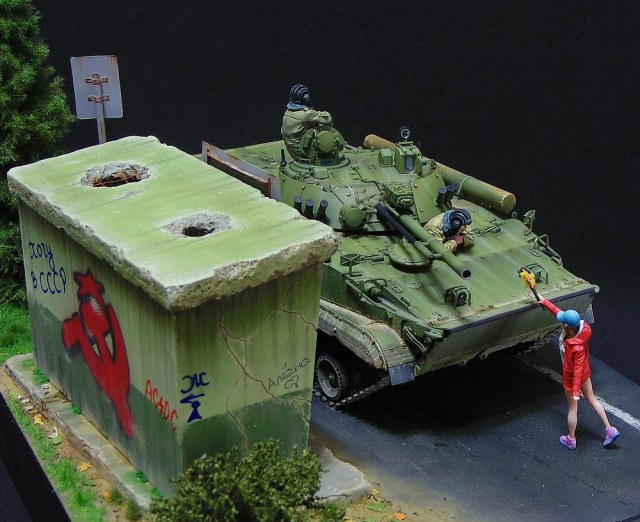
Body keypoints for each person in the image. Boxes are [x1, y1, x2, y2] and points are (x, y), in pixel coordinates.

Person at [536, 294, 620, 450]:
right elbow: (559, 312)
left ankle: (571, 439)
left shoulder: (576, 347)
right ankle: (610, 429)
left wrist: (575, 390)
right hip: (585, 374)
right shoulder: (581, 329)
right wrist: (544, 301)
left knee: (572, 408)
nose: (562, 323)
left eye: (564, 323)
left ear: (568, 326)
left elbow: (577, 369)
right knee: (592, 398)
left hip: (573, 376)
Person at [281, 84, 333, 160]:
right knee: (323, 128)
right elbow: (328, 118)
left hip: (291, 148)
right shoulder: (306, 114)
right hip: (301, 151)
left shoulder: (288, 112)